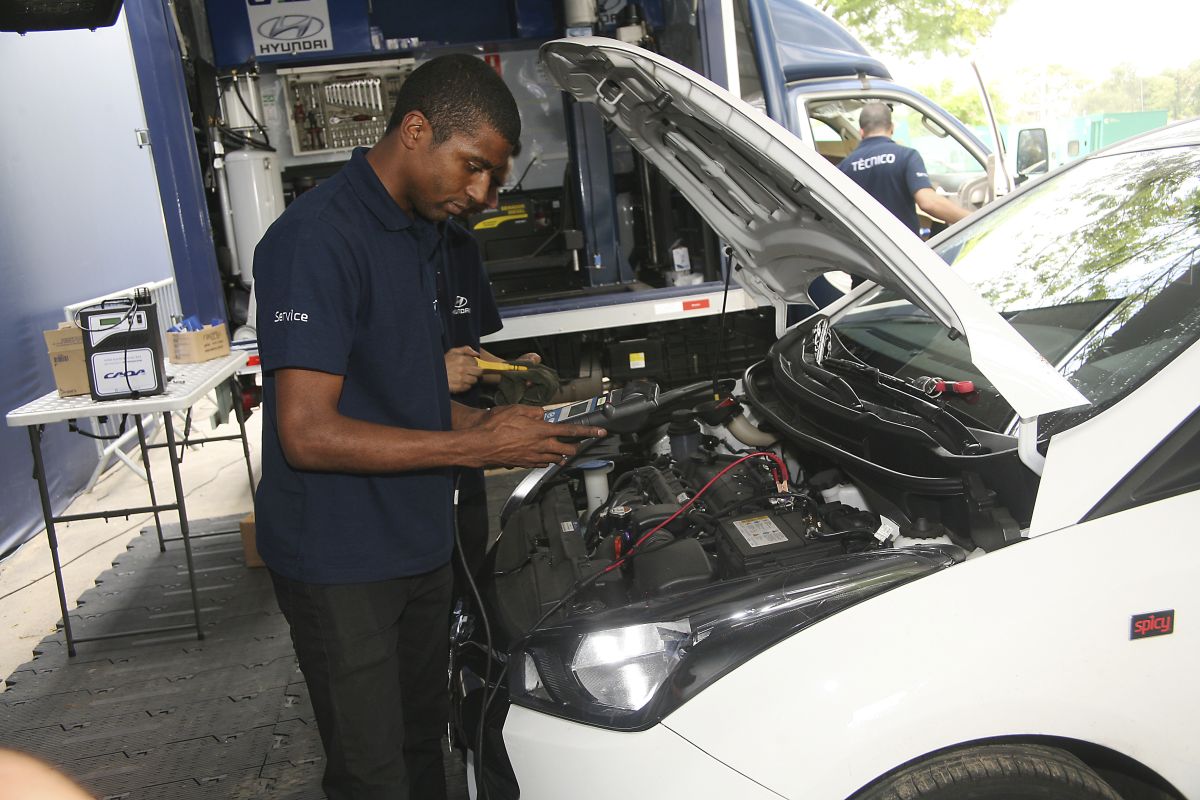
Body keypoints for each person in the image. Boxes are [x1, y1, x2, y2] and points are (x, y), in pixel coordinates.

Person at [252, 54, 604, 800]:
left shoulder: (421, 236)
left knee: (425, 745)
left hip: (417, 545)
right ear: (416, 130)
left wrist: (503, 423)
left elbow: (400, 396)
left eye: (493, 178)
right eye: (472, 167)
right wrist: (476, 445)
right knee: (373, 773)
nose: (480, 193)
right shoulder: (316, 240)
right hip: (340, 562)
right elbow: (306, 433)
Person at [838, 102, 970, 235]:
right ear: (892, 128)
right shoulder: (906, 156)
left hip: (864, 250)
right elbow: (928, 202)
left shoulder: (843, 167)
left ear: (861, 132)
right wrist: (970, 219)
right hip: (902, 251)